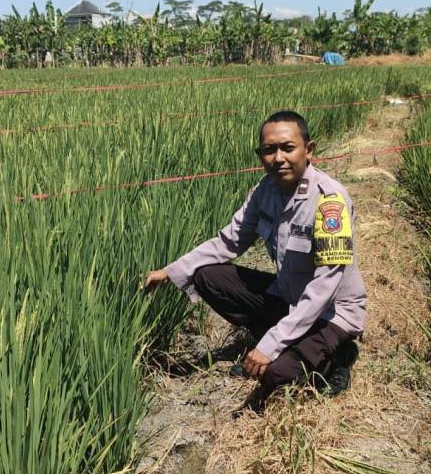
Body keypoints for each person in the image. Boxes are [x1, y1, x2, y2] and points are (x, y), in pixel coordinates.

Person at [144, 110, 366, 405]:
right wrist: (170, 272)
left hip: (330, 313)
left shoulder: (329, 202)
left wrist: (270, 346)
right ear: (260, 154)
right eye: (269, 150)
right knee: (205, 275)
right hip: (290, 298)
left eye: (288, 148)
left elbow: (324, 287)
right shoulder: (265, 190)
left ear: (308, 150)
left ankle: (339, 355)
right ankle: (284, 340)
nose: (278, 158)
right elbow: (230, 240)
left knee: (273, 373)